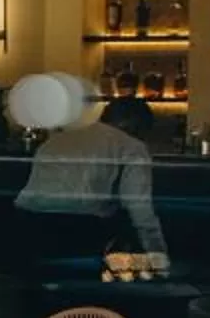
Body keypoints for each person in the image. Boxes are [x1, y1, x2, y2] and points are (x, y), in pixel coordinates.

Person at [17, 94, 165, 257]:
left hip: (28, 221)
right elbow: (139, 208)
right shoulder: (132, 146)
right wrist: (157, 250)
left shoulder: (57, 139)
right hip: (82, 228)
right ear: (136, 126)